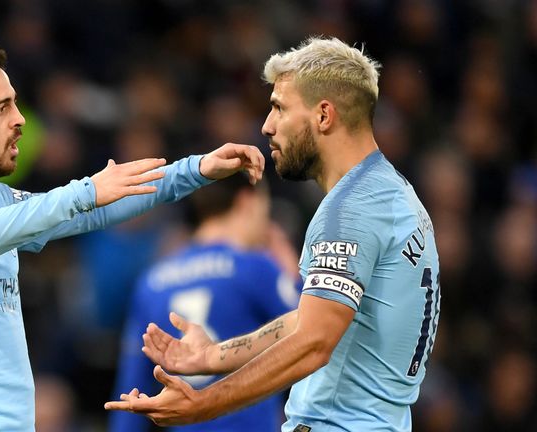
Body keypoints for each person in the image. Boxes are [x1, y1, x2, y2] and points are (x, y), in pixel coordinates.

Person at [0, 42, 265, 432]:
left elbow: (93, 208)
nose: (20, 119)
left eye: (15, 103)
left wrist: (196, 170)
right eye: (1, 108)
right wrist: (82, 193)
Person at [105, 36, 441, 432]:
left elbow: (314, 343)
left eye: (280, 108)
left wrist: (203, 404)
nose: (267, 126)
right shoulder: (395, 194)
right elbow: (313, 319)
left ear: (323, 115)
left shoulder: (348, 211)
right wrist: (214, 356)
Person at [109, 174, 300, 432]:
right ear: (247, 202)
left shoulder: (152, 283)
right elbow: (315, 331)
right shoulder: (255, 267)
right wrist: (294, 277)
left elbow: (131, 390)